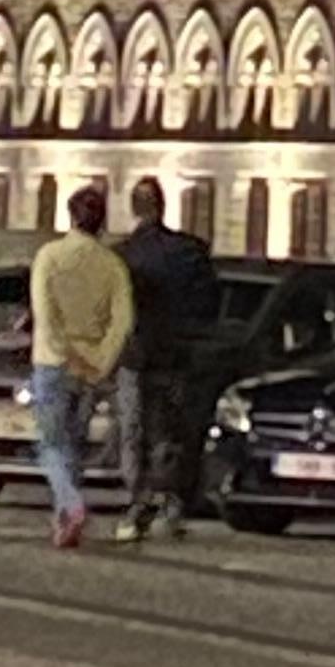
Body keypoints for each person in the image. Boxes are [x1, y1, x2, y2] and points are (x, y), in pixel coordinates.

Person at [28, 182, 135, 550]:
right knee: (73, 441)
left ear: (70, 216)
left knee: (51, 443)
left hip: (53, 362)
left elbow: (46, 315)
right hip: (91, 366)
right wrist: (101, 360)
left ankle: (71, 506)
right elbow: (122, 319)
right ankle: (64, 517)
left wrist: (65, 351)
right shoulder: (112, 265)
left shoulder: (50, 256)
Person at [113, 173, 219, 540]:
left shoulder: (123, 254)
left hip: (135, 355)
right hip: (177, 355)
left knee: (133, 432)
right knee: (171, 431)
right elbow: (209, 306)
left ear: (134, 208)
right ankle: (170, 504)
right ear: (162, 206)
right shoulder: (190, 252)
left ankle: (137, 502)